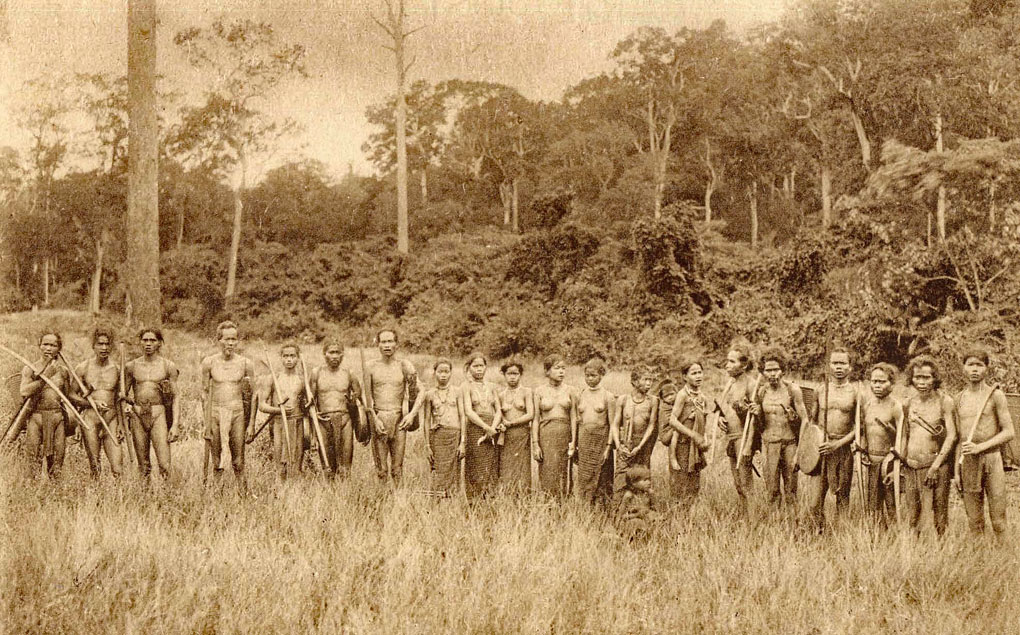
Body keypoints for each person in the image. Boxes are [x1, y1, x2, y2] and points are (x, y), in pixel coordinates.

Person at [955, 348, 1015, 535]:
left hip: (992, 459)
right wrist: (957, 471)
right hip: (968, 463)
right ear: (963, 368)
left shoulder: (995, 396)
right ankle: (979, 560)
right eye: (970, 365)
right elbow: (959, 439)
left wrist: (980, 447)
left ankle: (1004, 560)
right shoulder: (959, 399)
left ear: (987, 368)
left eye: (979, 365)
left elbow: (1009, 432)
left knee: (998, 519)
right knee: (974, 521)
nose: (974, 369)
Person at [801, 347, 859, 532]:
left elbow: (859, 427)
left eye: (843, 363)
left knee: (842, 496)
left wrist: (839, 444)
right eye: (835, 363)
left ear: (850, 367)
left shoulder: (856, 392)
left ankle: (841, 535)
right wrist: (817, 441)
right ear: (829, 365)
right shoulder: (820, 390)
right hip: (821, 450)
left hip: (842, 450)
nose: (838, 367)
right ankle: (817, 531)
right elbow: (811, 422)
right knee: (815, 499)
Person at [898, 356, 956, 536]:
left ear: (934, 378)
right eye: (917, 377)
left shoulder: (944, 401)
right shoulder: (908, 403)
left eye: (926, 377)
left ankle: (941, 551)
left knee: (939, 514)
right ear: (911, 378)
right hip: (912, 467)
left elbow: (952, 436)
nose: (921, 382)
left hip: (937, 466)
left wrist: (936, 466)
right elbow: (905, 435)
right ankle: (916, 553)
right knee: (913, 515)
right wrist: (901, 462)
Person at [747, 347, 808, 509]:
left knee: (791, 491)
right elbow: (759, 424)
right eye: (768, 370)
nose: (772, 374)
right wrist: (757, 413)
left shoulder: (792, 390)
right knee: (772, 491)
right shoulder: (761, 392)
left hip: (789, 444)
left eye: (776, 369)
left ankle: (794, 528)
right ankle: (776, 527)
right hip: (769, 445)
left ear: (783, 370)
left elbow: (806, 421)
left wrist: (799, 451)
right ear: (763, 372)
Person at [125, 328, 180, 481]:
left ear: (159, 343)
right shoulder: (131, 366)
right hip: (138, 414)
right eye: (145, 340)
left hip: (159, 414)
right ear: (140, 342)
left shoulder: (167, 366)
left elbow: (176, 397)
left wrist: (175, 425)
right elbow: (123, 394)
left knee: (165, 465)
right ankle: (145, 499)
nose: (148, 344)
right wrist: (128, 405)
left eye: (152, 340)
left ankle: (168, 499)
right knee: (143, 465)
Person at [365, 329, 418, 485]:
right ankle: (382, 503)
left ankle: (399, 503)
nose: (387, 345)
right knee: (381, 469)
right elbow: (366, 397)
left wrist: (411, 414)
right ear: (378, 344)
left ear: (396, 344)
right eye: (383, 342)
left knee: (397, 468)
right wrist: (374, 419)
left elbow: (420, 392)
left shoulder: (404, 365)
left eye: (390, 341)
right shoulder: (370, 366)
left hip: (399, 420)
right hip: (379, 418)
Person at [72, 327, 123, 479]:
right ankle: (96, 499)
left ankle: (120, 499)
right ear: (93, 346)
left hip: (111, 419)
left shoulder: (117, 369)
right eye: (100, 344)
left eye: (107, 344)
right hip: (90, 420)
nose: (104, 348)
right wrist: (90, 403)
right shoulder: (83, 368)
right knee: (95, 465)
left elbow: (119, 398)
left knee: (117, 467)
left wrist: (120, 423)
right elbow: (70, 394)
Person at [18, 331, 71, 478]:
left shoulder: (63, 371)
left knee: (57, 464)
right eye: (45, 344)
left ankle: (54, 497)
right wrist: (45, 376)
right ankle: (32, 496)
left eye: (53, 345)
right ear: (39, 346)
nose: (48, 348)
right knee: (33, 462)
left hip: (56, 418)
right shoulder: (30, 368)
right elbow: (24, 390)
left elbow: (67, 397)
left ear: (59, 349)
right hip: (36, 417)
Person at [661, 360, 711, 511]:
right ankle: (676, 518)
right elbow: (672, 420)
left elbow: (704, 422)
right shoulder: (682, 395)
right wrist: (692, 435)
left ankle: (688, 518)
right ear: (684, 377)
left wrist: (704, 439)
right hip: (682, 445)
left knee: (694, 483)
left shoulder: (703, 398)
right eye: (693, 373)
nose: (698, 376)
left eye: (699, 372)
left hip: (695, 448)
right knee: (679, 482)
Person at [858, 363, 903, 527]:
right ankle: (877, 536)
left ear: (891, 384)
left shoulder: (895, 407)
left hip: (889, 464)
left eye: (882, 381)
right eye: (874, 381)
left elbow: (902, 437)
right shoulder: (868, 405)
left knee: (891, 503)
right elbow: (864, 432)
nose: (877, 385)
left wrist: (894, 460)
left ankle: (895, 536)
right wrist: (862, 449)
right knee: (873, 504)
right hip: (871, 463)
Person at [310, 339, 362, 479]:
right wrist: (313, 431)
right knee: (327, 465)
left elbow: (359, 399)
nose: (334, 356)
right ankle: (330, 496)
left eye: (337, 352)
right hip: (323, 420)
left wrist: (353, 403)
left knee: (345, 464)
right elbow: (311, 402)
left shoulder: (349, 374)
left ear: (342, 354)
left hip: (345, 420)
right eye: (331, 352)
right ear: (324, 354)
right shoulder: (316, 373)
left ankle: (344, 494)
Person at [715, 343, 758, 510]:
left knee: (746, 483)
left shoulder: (751, 384)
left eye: (732, 362)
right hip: (730, 437)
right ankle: (745, 516)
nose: (727, 365)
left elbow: (755, 417)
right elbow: (722, 407)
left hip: (743, 437)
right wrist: (720, 419)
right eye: (727, 361)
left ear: (744, 365)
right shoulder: (730, 383)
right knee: (738, 483)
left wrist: (748, 446)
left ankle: (753, 523)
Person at [257, 342, 304, 480]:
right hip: (278, 423)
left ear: (298, 358)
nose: (289, 359)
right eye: (285, 356)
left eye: (292, 356)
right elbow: (262, 405)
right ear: (281, 357)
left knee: (296, 461)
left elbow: (309, 406)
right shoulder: (274, 378)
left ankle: (295, 491)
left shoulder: (302, 379)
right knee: (280, 462)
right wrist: (278, 410)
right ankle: (281, 490)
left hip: (297, 423)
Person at [533, 354, 576, 498]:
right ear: (547, 371)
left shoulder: (571, 390)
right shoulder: (539, 391)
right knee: (547, 470)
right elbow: (535, 419)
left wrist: (573, 442)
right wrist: (535, 444)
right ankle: (548, 504)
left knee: (565, 471)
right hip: (546, 436)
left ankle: (564, 504)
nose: (561, 371)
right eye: (557, 368)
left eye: (563, 368)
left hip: (565, 434)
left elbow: (574, 417)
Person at [575, 357, 617, 506]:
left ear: (601, 375)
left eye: (593, 375)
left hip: (601, 442)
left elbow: (613, 424)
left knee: (602, 479)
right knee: (585, 477)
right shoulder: (580, 395)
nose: (590, 379)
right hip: (584, 442)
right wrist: (574, 445)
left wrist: (608, 446)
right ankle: (585, 509)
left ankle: (603, 511)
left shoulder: (608, 396)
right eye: (587, 375)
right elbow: (577, 421)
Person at [417, 359, 462, 496]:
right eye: (440, 371)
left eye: (446, 372)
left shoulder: (458, 391)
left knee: (454, 471)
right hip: (437, 437)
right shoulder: (429, 394)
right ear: (435, 373)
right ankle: (438, 501)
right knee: (438, 470)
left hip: (454, 435)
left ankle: (452, 500)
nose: (443, 375)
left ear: (451, 373)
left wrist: (463, 442)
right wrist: (427, 445)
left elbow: (463, 417)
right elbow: (426, 420)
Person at [460, 353, 502, 498]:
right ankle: (474, 500)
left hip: (493, 430)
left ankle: (490, 498)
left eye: (481, 366)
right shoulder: (465, 387)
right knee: (476, 465)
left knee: (491, 466)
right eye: (475, 366)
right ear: (469, 368)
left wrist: (493, 428)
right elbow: (468, 411)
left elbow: (498, 410)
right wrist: (485, 427)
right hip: (475, 429)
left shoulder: (492, 387)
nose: (479, 369)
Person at [614, 366, 658, 495]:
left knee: (642, 479)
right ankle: (618, 510)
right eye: (645, 379)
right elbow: (615, 424)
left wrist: (639, 447)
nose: (649, 383)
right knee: (621, 478)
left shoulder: (653, 401)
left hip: (643, 447)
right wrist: (618, 446)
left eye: (651, 380)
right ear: (635, 381)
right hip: (625, 446)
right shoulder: (623, 400)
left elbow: (651, 425)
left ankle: (640, 510)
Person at [498, 359, 533, 493]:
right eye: (509, 374)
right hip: (506, 437)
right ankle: (508, 498)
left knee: (522, 468)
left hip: (522, 435)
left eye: (516, 373)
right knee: (507, 468)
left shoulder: (526, 392)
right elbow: (498, 415)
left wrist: (511, 423)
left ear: (520, 375)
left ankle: (523, 497)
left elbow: (530, 414)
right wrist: (502, 424)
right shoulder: (500, 395)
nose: (512, 377)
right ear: (504, 375)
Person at [616, 466, 659, 541]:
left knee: (656, 519)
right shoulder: (629, 496)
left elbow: (656, 510)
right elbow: (621, 516)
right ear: (633, 483)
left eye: (649, 479)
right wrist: (637, 515)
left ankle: (653, 538)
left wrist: (650, 513)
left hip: (647, 519)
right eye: (645, 480)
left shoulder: (649, 494)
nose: (649, 482)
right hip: (632, 521)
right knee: (636, 522)